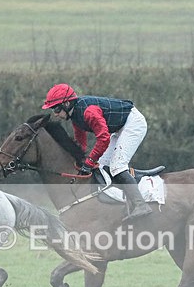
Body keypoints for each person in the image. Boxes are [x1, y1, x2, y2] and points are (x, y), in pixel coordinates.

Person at [41, 83, 153, 222]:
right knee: (101, 166)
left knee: (117, 166)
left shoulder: (89, 112)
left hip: (133, 124)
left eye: (57, 109)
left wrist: (90, 161)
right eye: (53, 110)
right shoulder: (75, 114)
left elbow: (103, 138)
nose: (56, 114)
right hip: (119, 128)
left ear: (67, 103)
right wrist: (81, 159)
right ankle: (119, 203)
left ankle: (140, 205)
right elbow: (80, 138)